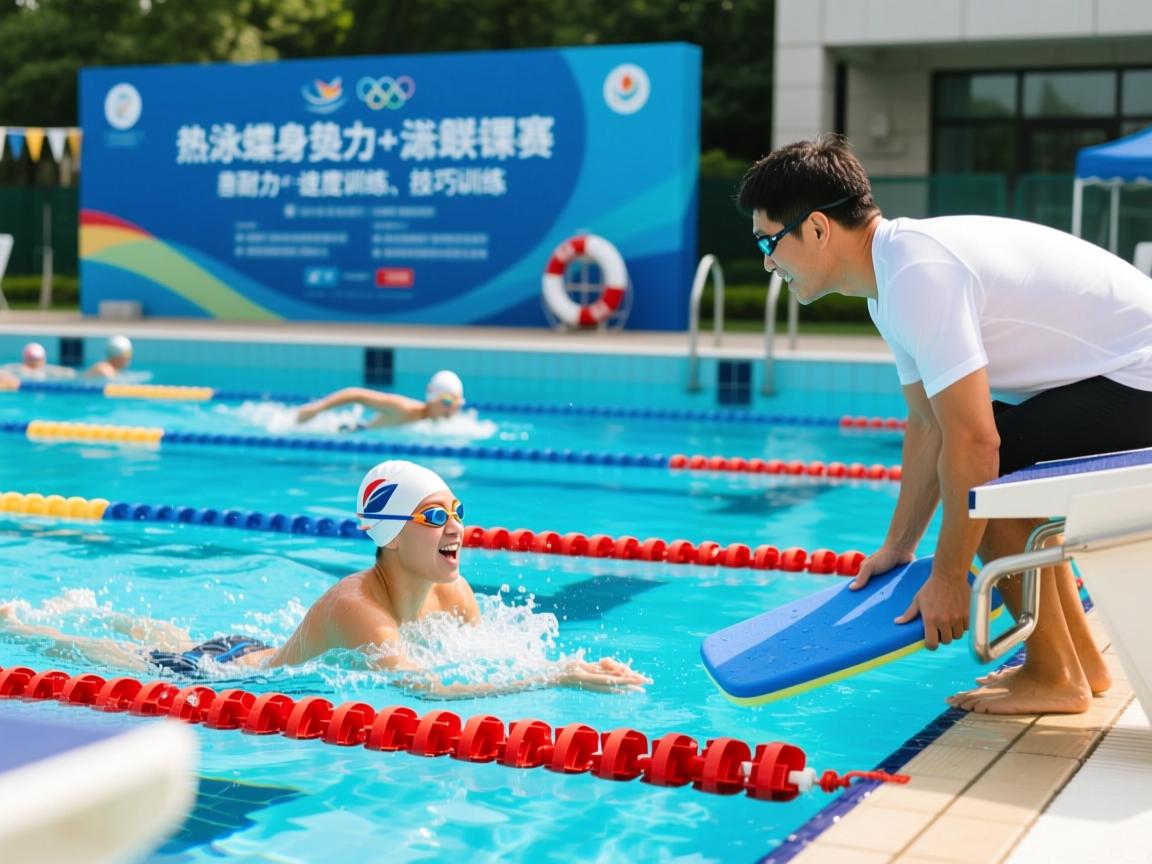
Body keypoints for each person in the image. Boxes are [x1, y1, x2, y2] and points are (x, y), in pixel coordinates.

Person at [737, 133, 1152, 715]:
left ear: (818, 229)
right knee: (990, 455)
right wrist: (899, 546)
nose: (767, 261)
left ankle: (1055, 673)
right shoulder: (890, 281)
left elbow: (975, 445)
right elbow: (927, 425)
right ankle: (1079, 663)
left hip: (1140, 376)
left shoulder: (917, 275)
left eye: (769, 240)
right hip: (1128, 375)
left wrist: (952, 578)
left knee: (990, 468)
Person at [0, 460, 648, 697]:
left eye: (457, 511)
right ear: (390, 535)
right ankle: (25, 625)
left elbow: (485, 659)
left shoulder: (455, 592)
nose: (456, 527)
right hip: (222, 678)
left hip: (247, 647)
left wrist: (567, 664)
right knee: (118, 657)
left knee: (162, 634)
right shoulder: (357, 608)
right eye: (434, 516)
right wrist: (552, 678)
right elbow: (428, 691)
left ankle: (88, 606)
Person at [296, 370, 466, 430]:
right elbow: (356, 394)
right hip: (353, 432)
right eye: (447, 401)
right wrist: (317, 408)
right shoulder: (403, 409)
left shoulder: (447, 428)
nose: (452, 409)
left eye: (457, 403)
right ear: (432, 399)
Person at [0, 342, 76, 381]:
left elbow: (71, 373)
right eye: (32, 359)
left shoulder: (50, 370)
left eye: (36, 359)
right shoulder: (17, 369)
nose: (35, 363)